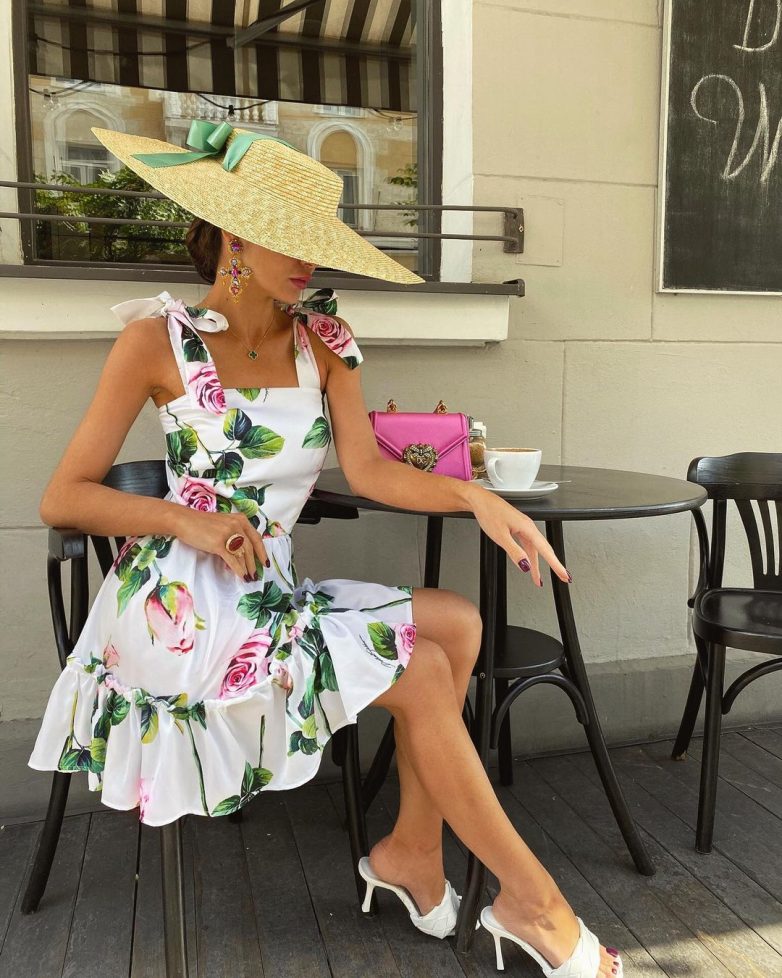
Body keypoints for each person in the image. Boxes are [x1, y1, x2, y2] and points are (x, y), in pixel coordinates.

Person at [28, 122, 622, 978]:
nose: (310, 260)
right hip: (178, 608)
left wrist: (475, 495)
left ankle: (413, 852)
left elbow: (370, 469)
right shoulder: (157, 341)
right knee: (422, 668)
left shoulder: (326, 344)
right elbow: (65, 497)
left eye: (320, 242)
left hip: (269, 591)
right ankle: (533, 901)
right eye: (290, 237)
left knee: (457, 623)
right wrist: (187, 520)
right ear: (234, 232)